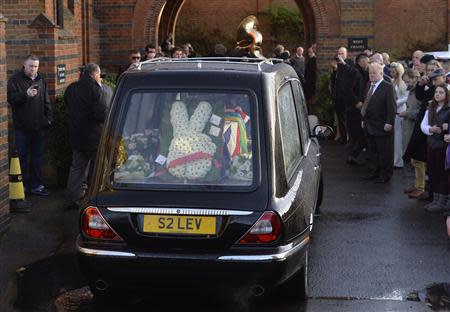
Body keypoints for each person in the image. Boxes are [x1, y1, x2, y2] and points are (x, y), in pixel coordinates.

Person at [7, 54, 51, 196]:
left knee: (38, 158)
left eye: (36, 66)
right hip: (22, 128)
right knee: (22, 158)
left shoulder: (41, 79)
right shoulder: (15, 80)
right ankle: (23, 187)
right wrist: (25, 95)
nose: (33, 69)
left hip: (39, 127)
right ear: (24, 65)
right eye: (31, 66)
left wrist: (48, 119)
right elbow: (11, 99)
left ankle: (36, 186)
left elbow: (46, 101)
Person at [64, 63, 108, 208]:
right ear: (93, 74)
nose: (99, 77)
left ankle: (72, 199)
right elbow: (100, 114)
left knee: (77, 167)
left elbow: (68, 108)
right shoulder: (96, 90)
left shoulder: (71, 88)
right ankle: (92, 198)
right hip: (94, 137)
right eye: (99, 74)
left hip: (76, 135)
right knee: (96, 169)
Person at [361, 63, 396, 183]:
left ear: (381, 73)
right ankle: (374, 172)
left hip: (382, 125)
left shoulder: (387, 87)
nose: (371, 75)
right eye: (370, 73)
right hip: (369, 124)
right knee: (372, 151)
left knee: (384, 152)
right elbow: (366, 103)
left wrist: (389, 122)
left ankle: (385, 174)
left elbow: (392, 107)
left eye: (374, 73)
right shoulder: (368, 85)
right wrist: (363, 120)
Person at [420, 84, 450, 212]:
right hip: (431, 144)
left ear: (446, 95)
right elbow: (423, 125)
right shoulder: (431, 107)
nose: (437, 94)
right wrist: (431, 129)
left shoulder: (449, 109)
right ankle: (436, 199)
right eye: (436, 92)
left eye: (441, 92)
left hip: (443, 146)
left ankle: (442, 202)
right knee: (433, 172)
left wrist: (446, 127)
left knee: (442, 174)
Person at [400, 69, 422, 198]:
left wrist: (407, 114)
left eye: (407, 81)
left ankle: (418, 185)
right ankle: (411, 185)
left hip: (414, 129)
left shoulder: (419, 92)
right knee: (407, 157)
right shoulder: (411, 91)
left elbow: (421, 112)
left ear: (415, 78)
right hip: (407, 128)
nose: (406, 83)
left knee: (415, 159)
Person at [389, 62, 408, 168]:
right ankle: (394, 160)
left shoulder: (403, 83)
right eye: (391, 71)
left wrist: (396, 103)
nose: (391, 73)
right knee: (394, 138)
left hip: (400, 112)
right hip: (393, 112)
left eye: (393, 71)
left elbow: (406, 97)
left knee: (398, 138)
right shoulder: (391, 81)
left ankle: (398, 161)